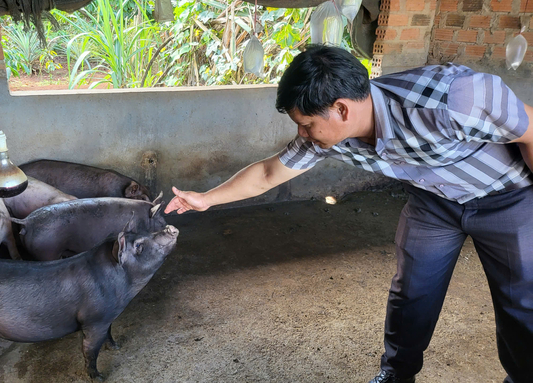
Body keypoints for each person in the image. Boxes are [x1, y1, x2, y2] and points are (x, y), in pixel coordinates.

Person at [164, 45, 533, 383]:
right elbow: (268, 173)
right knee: (412, 292)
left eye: (306, 123)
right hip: (433, 201)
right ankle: (396, 374)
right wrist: (207, 199)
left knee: (521, 301)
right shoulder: (330, 137)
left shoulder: (456, 97)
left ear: (341, 109)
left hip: (507, 197)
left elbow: (531, 133)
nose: (302, 133)